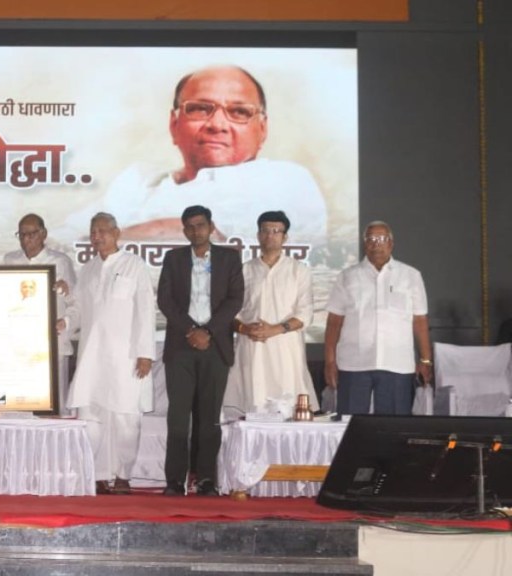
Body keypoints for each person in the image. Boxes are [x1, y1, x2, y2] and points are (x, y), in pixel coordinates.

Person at [62, 65, 326, 263]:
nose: (217, 124)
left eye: (239, 112)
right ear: (174, 124)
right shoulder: (137, 181)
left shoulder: (285, 179)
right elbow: (63, 241)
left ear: (263, 128)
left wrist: (102, 240)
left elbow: (201, 235)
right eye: (200, 108)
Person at [62, 213, 155, 495]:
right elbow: (78, 308)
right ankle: (97, 475)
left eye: (103, 231)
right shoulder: (88, 269)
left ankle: (123, 475)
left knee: (127, 418)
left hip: (126, 356)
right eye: (93, 231)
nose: (97, 236)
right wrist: (64, 322)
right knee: (91, 417)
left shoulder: (134, 265)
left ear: (117, 233)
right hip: (92, 355)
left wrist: (145, 353)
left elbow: (146, 310)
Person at [158, 205, 243, 496]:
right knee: (178, 419)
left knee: (209, 419)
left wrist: (208, 332)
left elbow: (235, 299)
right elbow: (165, 300)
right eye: (190, 227)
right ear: (184, 231)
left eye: (201, 225)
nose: (196, 231)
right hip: (181, 347)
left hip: (215, 346)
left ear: (211, 227)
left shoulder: (230, 258)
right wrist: (190, 331)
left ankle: (206, 480)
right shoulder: (173, 259)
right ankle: (174, 481)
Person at [324, 221, 432, 415]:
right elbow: (334, 323)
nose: (376, 243)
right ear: (364, 244)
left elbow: (420, 321)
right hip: (353, 363)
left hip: (397, 363)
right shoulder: (347, 276)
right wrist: (330, 362)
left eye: (381, 238)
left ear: (391, 243)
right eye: (371, 239)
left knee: (393, 426)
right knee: (349, 423)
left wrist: (425, 360)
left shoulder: (411, 276)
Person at [222, 211, 317, 417]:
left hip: (285, 348)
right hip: (252, 347)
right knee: (251, 407)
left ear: (285, 237)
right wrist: (245, 329)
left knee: (288, 407)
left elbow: (305, 313)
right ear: (258, 235)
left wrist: (274, 329)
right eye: (265, 230)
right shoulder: (244, 271)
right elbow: (229, 313)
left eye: (276, 231)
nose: (270, 235)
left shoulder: (299, 270)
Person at [3, 214, 77, 416]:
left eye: (32, 234)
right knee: (19, 405)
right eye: (22, 234)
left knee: (52, 407)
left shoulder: (60, 262)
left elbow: (75, 303)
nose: (26, 239)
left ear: (44, 234)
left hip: (51, 345)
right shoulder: (10, 260)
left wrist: (65, 322)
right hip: (18, 347)